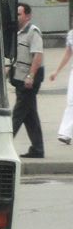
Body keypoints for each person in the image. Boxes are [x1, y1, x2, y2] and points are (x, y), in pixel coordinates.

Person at [11, 2, 44, 158]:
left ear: (28, 15)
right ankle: (38, 149)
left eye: (19, 14)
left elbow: (37, 55)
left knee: (18, 113)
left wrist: (31, 76)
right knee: (30, 115)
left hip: (30, 80)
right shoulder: (17, 33)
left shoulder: (33, 32)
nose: (16, 17)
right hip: (20, 78)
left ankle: (5, 145)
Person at [50, 18, 73, 146]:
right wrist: (56, 71)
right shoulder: (71, 35)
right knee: (71, 102)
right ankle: (66, 133)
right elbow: (67, 54)